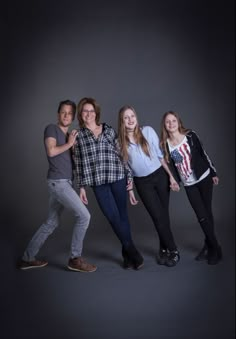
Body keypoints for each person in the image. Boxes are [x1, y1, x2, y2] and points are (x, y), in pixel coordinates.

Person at [19, 100, 97, 272]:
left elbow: (72, 162)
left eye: (70, 113)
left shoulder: (70, 135)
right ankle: (75, 259)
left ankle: (27, 258)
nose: (66, 115)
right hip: (58, 183)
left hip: (65, 183)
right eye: (63, 112)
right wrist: (69, 144)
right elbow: (51, 151)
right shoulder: (51, 129)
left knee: (51, 223)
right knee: (84, 217)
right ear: (58, 114)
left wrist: (73, 145)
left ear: (73, 116)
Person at [73, 97, 143, 270]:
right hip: (98, 182)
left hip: (117, 176)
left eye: (91, 110)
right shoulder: (78, 136)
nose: (88, 114)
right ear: (81, 114)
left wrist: (129, 179)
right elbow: (78, 162)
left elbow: (122, 154)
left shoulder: (108, 130)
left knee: (122, 215)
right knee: (112, 217)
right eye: (84, 111)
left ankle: (127, 256)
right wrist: (81, 186)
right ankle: (133, 251)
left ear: (96, 112)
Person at [118, 105, 180, 267]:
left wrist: (171, 177)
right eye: (126, 117)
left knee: (163, 216)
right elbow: (127, 169)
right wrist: (130, 189)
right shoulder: (120, 143)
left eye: (132, 116)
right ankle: (172, 249)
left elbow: (161, 157)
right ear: (122, 121)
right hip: (142, 183)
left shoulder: (148, 131)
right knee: (158, 217)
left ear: (136, 117)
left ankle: (166, 249)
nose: (131, 119)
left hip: (160, 177)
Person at [160, 110, 222, 265]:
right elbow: (174, 165)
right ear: (165, 126)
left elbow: (203, 153)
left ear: (178, 122)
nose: (171, 124)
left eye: (174, 120)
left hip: (204, 177)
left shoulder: (190, 135)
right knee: (201, 216)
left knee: (207, 213)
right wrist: (174, 181)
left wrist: (213, 171)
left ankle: (213, 248)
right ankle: (212, 245)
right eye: (168, 122)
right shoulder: (166, 144)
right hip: (189, 184)